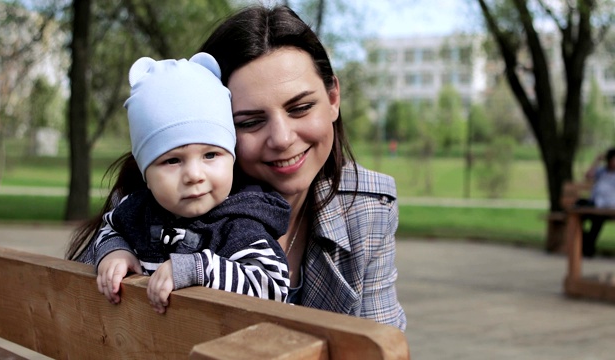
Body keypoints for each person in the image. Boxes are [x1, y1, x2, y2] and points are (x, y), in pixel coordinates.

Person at [66, 4, 407, 331]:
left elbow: (380, 342)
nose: (283, 138)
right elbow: (90, 324)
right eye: (250, 122)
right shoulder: (161, 201)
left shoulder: (367, 208)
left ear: (333, 98)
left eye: (300, 107)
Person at [92, 53, 291, 313]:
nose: (194, 175)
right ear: (145, 173)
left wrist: (197, 269)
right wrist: (114, 251)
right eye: (173, 160)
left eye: (211, 155)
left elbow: (273, 287)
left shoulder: (240, 226)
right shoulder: (136, 210)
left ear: (231, 159)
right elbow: (110, 227)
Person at [579, 148, 615, 257]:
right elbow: (588, 176)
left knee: (597, 220)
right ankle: (587, 244)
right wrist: (597, 160)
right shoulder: (601, 171)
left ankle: (588, 248)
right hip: (594, 203)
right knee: (577, 210)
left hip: (608, 207)